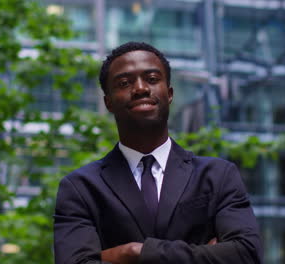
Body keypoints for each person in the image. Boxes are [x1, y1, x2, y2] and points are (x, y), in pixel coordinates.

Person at [53, 42, 262, 264]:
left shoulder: (218, 175)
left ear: (169, 94)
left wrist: (134, 252)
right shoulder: (80, 188)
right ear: (108, 102)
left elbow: (246, 254)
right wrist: (205, 254)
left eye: (152, 79)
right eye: (124, 83)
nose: (141, 88)